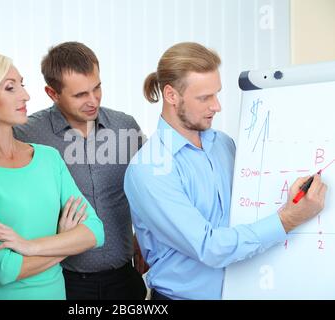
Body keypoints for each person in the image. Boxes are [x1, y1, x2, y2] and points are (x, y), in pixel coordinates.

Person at [123, 42, 327, 300]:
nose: (217, 106)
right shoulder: (150, 169)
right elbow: (210, 247)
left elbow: (247, 212)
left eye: (217, 94)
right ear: (171, 95)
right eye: (204, 98)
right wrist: (288, 219)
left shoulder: (223, 144)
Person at [0, 52, 104, 300]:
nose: (25, 95)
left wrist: (29, 246)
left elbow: (95, 232)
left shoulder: (48, 158)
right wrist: (64, 241)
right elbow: (5, 269)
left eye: (22, 84)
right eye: (10, 88)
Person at [13, 42, 148, 300]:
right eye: (80, 95)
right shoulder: (26, 134)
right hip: (65, 282)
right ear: (52, 93)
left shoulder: (125, 126)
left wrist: (146, 236)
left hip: (125, 278)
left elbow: (151, 189)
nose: (93, 100)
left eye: (97, 88)